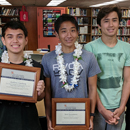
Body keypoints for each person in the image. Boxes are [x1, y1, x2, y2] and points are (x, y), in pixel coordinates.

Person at [41, 14, 101, 130]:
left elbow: (92, 88)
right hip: (58, 117)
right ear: (57, 34)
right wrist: (48, 118)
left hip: (81, 116)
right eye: (64, 31)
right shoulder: (47, 58)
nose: (69, 35)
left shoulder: (89, 57)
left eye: (72, 30)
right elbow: (47, 91)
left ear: (78, 32)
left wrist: (91, 116)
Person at [84, 5, 130, 130]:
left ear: (119, 23)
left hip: (118, 108)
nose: (111, 25)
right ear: (99, 25)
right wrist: (101, 109)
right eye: (106, 21)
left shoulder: (127, 48)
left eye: (114, 20)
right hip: (96, 107)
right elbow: (90, 84)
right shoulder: (89, 48)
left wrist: (121, 108)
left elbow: (127, 80)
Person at [0, 21, 45, 130]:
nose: (15, 41)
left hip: (29, 122)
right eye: (10, 37)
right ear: (3, 41)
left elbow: (39, 98)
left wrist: (41, 92)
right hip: (3, 121)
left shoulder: (36, 67)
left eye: (19, 37)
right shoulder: (0, 66)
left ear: (26, 40)